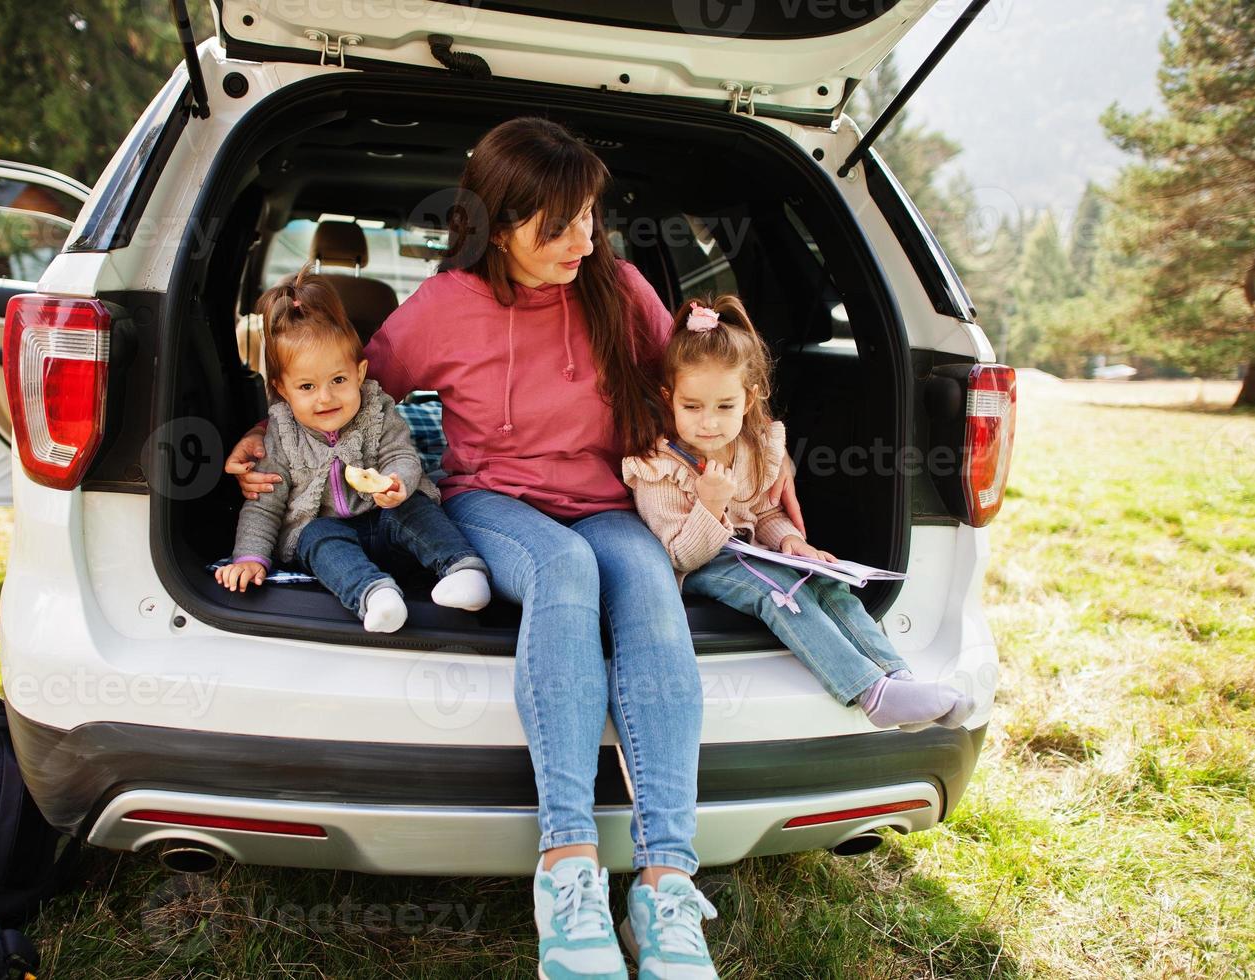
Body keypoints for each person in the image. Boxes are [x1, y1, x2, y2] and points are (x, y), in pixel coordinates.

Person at [226, 118, 803, 979]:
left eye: (589, 219)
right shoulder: (445, 307)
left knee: (646, 586)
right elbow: (345, 391)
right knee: (563, 571)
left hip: (608, 499)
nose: (581, 240)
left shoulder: (622, 291)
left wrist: (773, 494)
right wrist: (259, 438)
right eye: (556, 224)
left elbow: (704, 385)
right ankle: (567, 870)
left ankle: (664, 884)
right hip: (493, 503)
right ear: (498, 225)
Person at [622, 295, 975, 731]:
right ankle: (870, 693)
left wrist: (790, 541)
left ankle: (898, 675)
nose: (708, 422)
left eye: (724, 406)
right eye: (691, 407)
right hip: (701, 567)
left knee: (825, 581)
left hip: (751, 553)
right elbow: (679, 557)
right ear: (668, 397)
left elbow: (765, 513)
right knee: (779, 590)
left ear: (749, 400)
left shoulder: (751, 449)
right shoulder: (659, 468)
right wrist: (710, 503)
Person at [216, 266, 492, 634]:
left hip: (388, 526)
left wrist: (398, 484)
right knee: (314, 537)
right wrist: (250, 558)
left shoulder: (377, 410)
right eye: (307, 387)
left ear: (361, 374)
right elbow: (263, 505)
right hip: (333, 540)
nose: (326, 397)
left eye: (339, 380)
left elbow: (403, 456)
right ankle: (374, 596)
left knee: (416, 505)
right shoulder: (280, 434)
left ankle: (464, 569)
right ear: (282, 389)